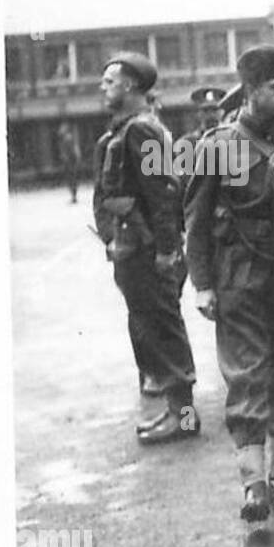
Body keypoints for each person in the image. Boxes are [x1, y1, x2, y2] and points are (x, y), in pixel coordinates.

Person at [186, 45, 274, 522]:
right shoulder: (217, 146)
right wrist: (203, 285)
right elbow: (197, 221)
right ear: (250, 92)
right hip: (240, 277)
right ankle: (254, 484)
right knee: (247, 379)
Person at [93, 52, 199, 445]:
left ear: (131, 86)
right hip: (132, 250)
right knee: (152, 329)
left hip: (150, 250)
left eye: (109, 81)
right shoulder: (123, 131)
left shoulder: (142, 130)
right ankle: (175, 412)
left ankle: (186, 419)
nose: (103, 88)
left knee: (166, 332)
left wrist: (167, 250)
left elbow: (165, 193)